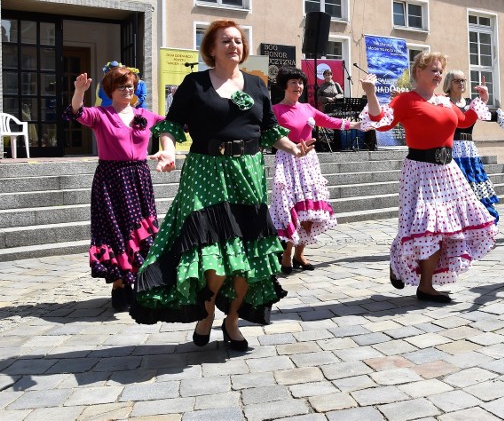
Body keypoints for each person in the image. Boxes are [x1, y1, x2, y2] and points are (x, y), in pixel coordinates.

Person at [131, 20, 312, 351]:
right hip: (206, 172)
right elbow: (170, 125)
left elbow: (270, 130)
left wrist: (294, 148)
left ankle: (232, 320)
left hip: (248, 173)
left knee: (245, 251)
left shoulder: (257, 86)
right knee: (212, 251)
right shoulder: (195, 84)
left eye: (238, 41)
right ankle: (207, 311)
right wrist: (168, 150)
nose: (234, 46)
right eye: (226, 41)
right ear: (211, 49)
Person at [360, 52, 498, 303]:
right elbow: (380, 123)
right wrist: (371, 93)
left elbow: (464, 121)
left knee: (443, 228)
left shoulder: (445, 101)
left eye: (440, 71)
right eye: (433, 70)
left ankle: (422, 282)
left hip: (448, 170)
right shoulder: (405, 101)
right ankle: (420, 280)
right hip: (421, 170)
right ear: (418, 72)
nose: (438, 75)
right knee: (427, 226)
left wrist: (481, 101)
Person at [62, 67, 166, 311]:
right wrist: (78, 91)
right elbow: (74, 113)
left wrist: (164, 148)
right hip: (110, 180)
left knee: (140, 231)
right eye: (122, 86)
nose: (127, 90)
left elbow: (170, 127)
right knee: (115, 231)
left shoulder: (145, 114)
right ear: (110, 90)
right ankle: (119, 285)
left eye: (130, 86)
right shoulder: (101, 115)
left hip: (139, 178)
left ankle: (140, 283)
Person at [270, 67, 361, 274]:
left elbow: (331, 121)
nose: (298, 86)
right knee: (292, 208)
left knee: (310, 210)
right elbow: (269, 136)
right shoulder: (275, 110)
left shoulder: (307, 108)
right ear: (285, 85)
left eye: (300, 83)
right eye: (293, 82)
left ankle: (300, 253)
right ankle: (286, 253)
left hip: (309, 162)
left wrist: (356, 124)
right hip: (288, 161)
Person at [443, 70, 504, 222]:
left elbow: (492, 115)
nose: (461, 83)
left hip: (469, 149)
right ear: (449, 84)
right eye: (457, 81)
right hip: (451, 149)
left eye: (463, 80)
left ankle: (481, 222)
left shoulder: (471, 103)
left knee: (475, 184)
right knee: (456, 187)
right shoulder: (443, 103)